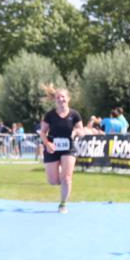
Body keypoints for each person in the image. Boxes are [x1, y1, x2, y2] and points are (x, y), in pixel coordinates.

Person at [39, 84, 85, 214]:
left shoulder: (75, 114)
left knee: (67, 178)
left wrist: (76, 132)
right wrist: (47, 144)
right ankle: (60, 171)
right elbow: (42, 132)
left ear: (68, 98)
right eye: (58, 98)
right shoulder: (50, 115)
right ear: (55, 100)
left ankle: (63, 204)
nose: (61, 100)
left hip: (68, 148)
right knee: (53, 181)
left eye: (63, 97)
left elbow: (81, 130)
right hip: (52, 148)